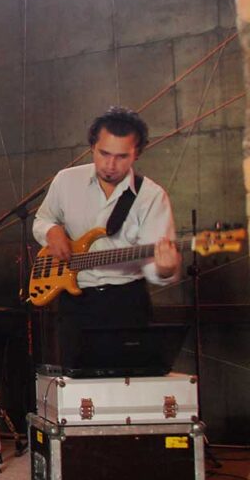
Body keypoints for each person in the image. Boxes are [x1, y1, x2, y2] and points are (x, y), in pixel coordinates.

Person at [32, 107, 180, 366]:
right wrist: (51, 232)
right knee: (77, 381)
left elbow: (154, 268)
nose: (110, 165)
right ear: (92, 146)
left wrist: (165, 269)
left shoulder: (151, 197)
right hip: (75, 302)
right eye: (104, 153)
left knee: (127, 380)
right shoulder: (66, 181)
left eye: (122, 157)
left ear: (137, 153)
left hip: (126, 302)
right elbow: (42, 219)